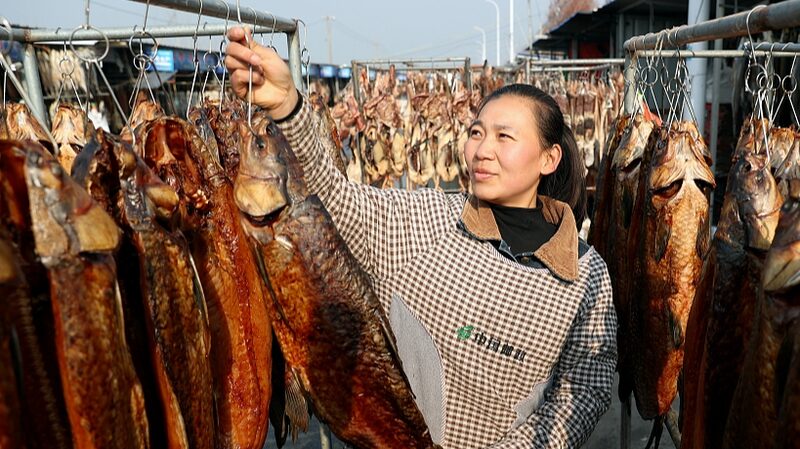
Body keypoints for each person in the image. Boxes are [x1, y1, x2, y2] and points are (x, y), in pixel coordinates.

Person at [224, 27, 616, 449]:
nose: (482, 150)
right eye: (477, 133)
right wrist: (286, 106)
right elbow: (334, 198)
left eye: (504, 137)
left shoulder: (585, 277)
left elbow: (585, 390)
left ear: (549, 158)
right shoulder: (426, 221)